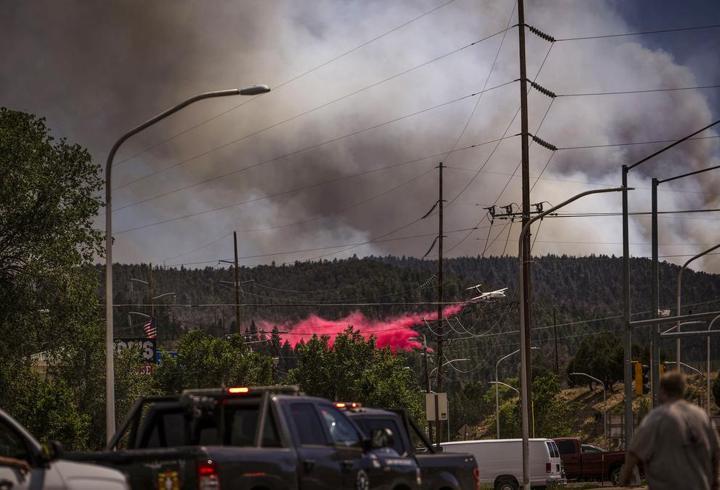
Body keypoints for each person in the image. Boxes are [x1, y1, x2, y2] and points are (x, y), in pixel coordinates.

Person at [619, 370, 720, 489]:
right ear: (682, 390)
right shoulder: (702, 416)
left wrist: (625, 478)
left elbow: (633, 453)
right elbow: (715, 452)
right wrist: (714, 481)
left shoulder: (656, 418)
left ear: (662, 391)